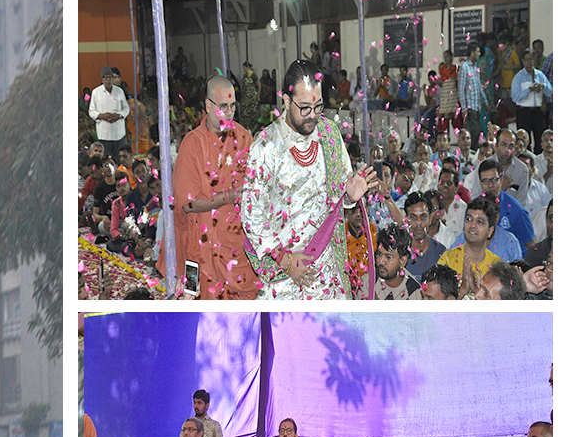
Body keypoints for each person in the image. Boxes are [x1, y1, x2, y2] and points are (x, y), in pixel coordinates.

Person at [243, 60, 379, 298]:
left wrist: (349, 196)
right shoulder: (265, 146)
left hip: (329, 275)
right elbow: (251, 215)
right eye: (305, 107)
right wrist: (284, 260)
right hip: (285, 279)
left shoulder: (329, 134)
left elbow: (339, 200)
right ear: (286, 100)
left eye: (318, 107)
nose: (313, 116)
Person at [172, 75, 259, 298]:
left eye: (232, 107)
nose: (229, 113)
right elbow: (188, 204)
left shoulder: (243, 137)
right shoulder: (193, 144)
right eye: (223, 107)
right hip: (203, 246)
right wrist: (228, 196)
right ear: (208, 106)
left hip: (238, 244)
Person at [512, 50, 552, 153]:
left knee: (539, 139)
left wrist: (543, 86)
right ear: (523, 61)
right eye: (526, 60)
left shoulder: (540, 75)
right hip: (523, 112)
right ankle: (525, 162)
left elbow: (550, 91)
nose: (529, 62)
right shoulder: (518, 77)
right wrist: (529, 89)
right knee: (523, 140)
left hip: (537, 112)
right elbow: (515, 97)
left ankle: (539, 163)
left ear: (534, 60)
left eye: (531, 59)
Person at [90, 65, 130, 163]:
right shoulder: (96, 92)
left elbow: (126, 109)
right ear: (102, 79)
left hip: (119, 134)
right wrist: (102, 116)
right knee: (106, 162)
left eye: (110, 77)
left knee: (121, 161)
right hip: (104, 135)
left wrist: (119, 115)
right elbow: (91, 111)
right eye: (106, 77)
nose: (108, 80)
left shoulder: (119, 91)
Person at [370, 224, 422, 299]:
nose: (381, 261)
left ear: (403, 261)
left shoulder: (414, 294)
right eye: (379, 254)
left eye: (388, 257)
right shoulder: (367, 282)